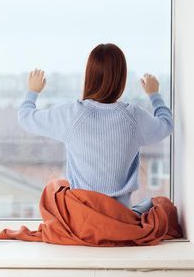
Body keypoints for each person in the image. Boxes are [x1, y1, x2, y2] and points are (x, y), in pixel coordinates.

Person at [18, 43, 173, 215]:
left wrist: (32, 91)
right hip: (119, 218)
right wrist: (154, 95)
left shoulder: (72, 114)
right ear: (121, 78)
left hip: (82, 219)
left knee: (56, 187)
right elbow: (166, 124)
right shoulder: (133, 117)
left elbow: (26, 118)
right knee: (154, 206)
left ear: (89, 76)